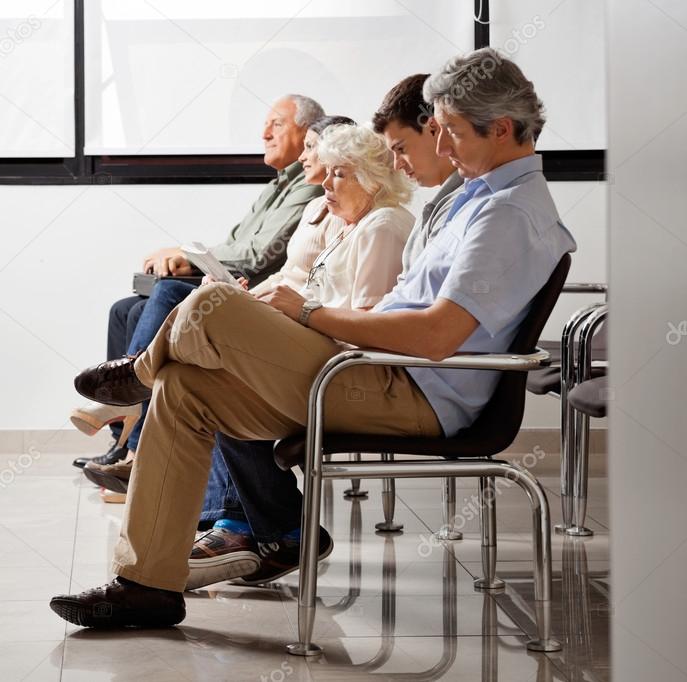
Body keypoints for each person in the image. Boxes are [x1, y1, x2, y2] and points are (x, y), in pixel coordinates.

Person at [49, 48, 577, 629]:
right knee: (185, 385)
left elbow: (435, 335)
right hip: (375, 369)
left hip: (411, 393)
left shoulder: (507, 214)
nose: (442, 147)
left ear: (500, 129)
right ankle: (147, 583)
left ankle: (136, 376)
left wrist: (312, 314)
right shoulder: (470, 199)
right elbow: (411, 309)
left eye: (450, 133)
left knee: (211, 303)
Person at [186, 73, 466, 589]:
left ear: (372, 177)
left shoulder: (384, 225)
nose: (324, 183)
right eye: (327, 172)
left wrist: (294, 313)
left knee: (212, 330)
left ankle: (254, 522)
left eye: (339, 174)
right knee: (209, 351)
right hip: (335, 351)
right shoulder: (353, 223)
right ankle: (245, 523)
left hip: (354, 365)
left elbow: (365, 326)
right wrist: (279, 309)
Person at [80, 114, 362, 493]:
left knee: (173, 302)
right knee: (128, 308)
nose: (267, 135)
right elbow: (278, 265)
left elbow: (266, 260)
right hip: (271, 296)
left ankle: (134, 423)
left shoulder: (324, 202)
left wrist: (210, 269)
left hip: (291, 314)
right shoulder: (305, 199)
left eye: (280, 126)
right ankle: (128, 438)